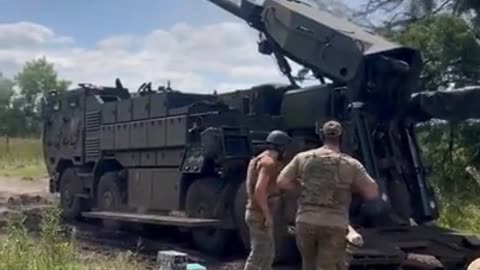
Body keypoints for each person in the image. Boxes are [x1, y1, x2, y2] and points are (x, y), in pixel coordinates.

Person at [276, 120, 379, 270]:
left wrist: (305, 189)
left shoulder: (302, 158)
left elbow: (281, 182)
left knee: (309, 265)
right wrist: (351, 188)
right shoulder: (351, 164)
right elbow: (372, 193)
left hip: (306, 221)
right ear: (341, 137)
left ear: (321, 135)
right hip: (334, 223)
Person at [243, 130, 292, 270]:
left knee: (268, 254)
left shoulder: (259, 159)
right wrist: (267, 214)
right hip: (259, 214)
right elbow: (259, 190)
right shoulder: (268, 163)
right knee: (259, 254)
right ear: (280, 147)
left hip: (256, 212)